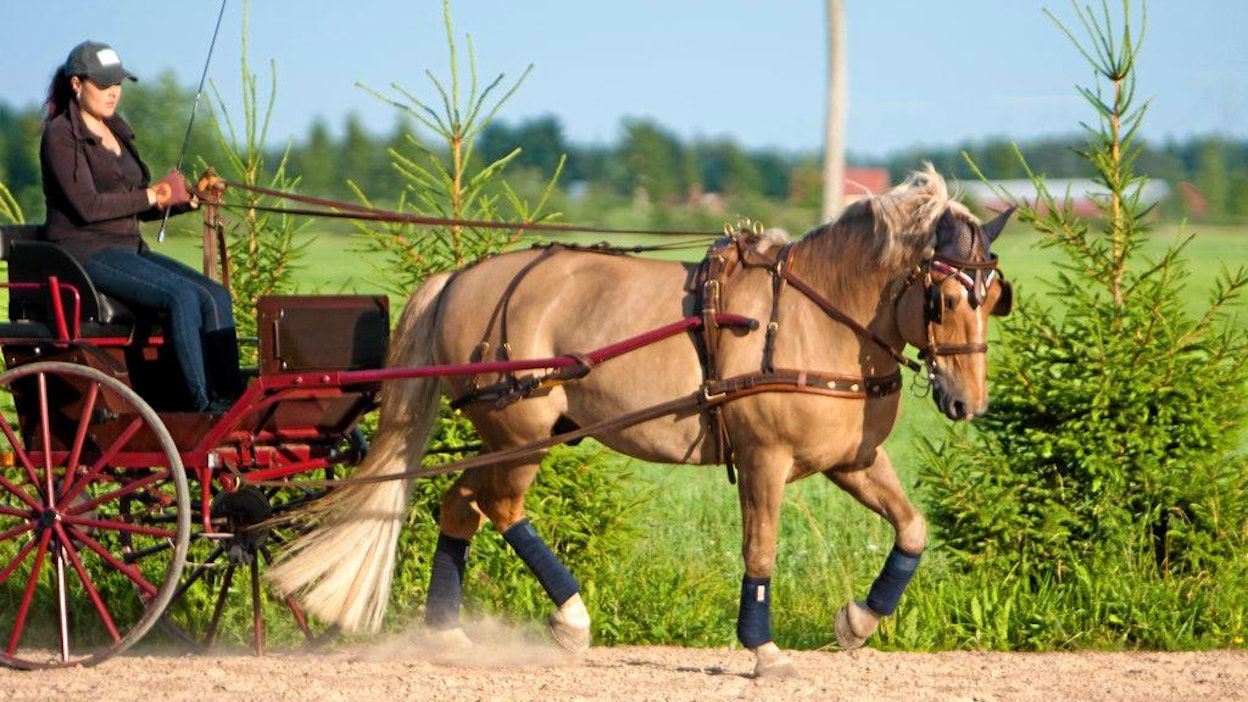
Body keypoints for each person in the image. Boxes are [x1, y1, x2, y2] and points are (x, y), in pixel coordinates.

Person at [40, 40, 242, 412]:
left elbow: (138, 203)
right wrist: (154, 194)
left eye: (117, 83)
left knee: (215, 296)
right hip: (85, 251)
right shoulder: (60, 135)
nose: (113, 92)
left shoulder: (117, 131)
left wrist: (186, 199)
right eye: (104, 84)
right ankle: (203, 405)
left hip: (129, 247)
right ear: (77, 84)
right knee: (182, 296)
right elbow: (88, 206)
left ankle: (231, 399)